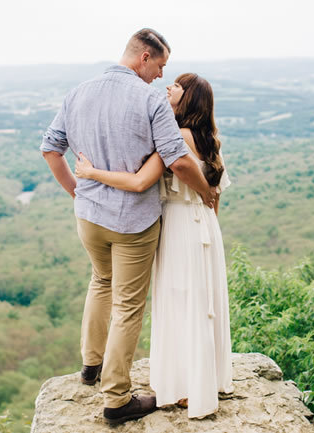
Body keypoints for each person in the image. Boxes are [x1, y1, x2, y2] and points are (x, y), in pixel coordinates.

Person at [39, 29, 216, 426]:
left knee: (101, 282)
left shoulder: (78, 92)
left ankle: (90, 365)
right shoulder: (149, 98)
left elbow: (50, 148)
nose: (160, 76)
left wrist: (77, 192)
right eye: (160, 66)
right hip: (132, 221)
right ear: (145, 57)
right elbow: (179, 160)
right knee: (128, 306)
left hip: (89, 217)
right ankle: (117, 398)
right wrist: (207, 192)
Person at [75, 73, 234, 419]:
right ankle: (207, 380)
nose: (168, 87)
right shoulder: (211, 140)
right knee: (202, 301)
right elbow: (215, 196)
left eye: (176, 85)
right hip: (205, 226)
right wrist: (208, 222)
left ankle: (184, 387)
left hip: (177, 225)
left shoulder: (175, 136)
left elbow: (138, 181)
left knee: (179, 303)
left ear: (188, 98)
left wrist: (91, 173)